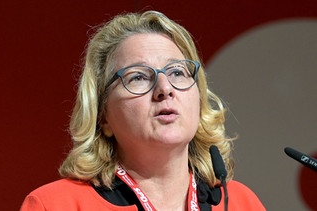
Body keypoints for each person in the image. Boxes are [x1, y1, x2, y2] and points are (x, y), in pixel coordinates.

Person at [20, 10, 265, 211]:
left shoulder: (241, 203)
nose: (165, 88)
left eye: (177, 72)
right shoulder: (55, 205)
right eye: (138, 77)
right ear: (102, 114)